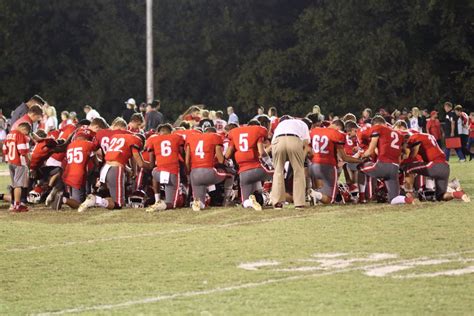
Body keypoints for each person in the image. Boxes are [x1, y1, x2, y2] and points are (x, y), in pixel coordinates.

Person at [78, 132, 150, 211]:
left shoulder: (119, 137)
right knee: (118, 204)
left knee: (108, 194)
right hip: (115, 170)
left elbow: (119, 158)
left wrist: (131, 170)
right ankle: (96, 200)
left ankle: (96, 199)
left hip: (105, 168)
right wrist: (152, 166)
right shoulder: (135, 141)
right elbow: (140, 163)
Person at [359, 116, 415, 205]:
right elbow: (403, 154)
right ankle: (407, 199)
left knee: (359, 166)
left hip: (382, 165)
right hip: (395, 168)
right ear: (385, 123)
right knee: (393, 199)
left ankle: (362, 195)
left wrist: (361, 156)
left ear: (375, 125)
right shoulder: (398, 133)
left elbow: (370, 150)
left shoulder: (377, 128)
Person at [308, 119, 362, 204]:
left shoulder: (315, 131)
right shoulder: (336, 134)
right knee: (331, 199)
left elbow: (308, 150)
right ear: (338, 127)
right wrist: (360, 160)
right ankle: (315, 194)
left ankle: (315, 196)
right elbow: (344, 158)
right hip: (328, 166)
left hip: (313, 165)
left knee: (322, 190)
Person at [225, 120, 271, 210]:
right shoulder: (257, 131)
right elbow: (262, 152)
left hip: (243, 172)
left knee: (245, 202)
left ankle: (250, 201)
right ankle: (269, 197)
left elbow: (227, 155)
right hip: (257, 168)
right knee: (278, 173)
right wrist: (270, 163)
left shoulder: (235, 133)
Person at [185, 127, 234, 211]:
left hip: (194, 173)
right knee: (231, 174)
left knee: (201, 202)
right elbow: (221, 160)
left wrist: (189, 173)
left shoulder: (192, 138)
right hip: (209, 172)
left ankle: (198, 203)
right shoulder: (214, 138)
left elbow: (187, 161)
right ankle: (226, 200)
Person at [270, 116, 310, 209]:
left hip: (277, 141)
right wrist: (301, 160)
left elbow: (273, 142)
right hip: (294, 139)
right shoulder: (302, 124)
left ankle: (277, 203)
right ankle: (299, 203)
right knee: (298, 171)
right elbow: (306, 144)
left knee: (278, 172)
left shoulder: (281, 124)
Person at [145, 123, 185, 212]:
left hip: (159, 173)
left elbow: (151, 164)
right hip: (172, 172)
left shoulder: (153, 139)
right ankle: (161, 205)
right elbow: (183, 154)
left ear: (159, 133)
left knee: (154, 170)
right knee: (172, 203)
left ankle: (157, 199)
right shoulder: (177, 137)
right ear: (171, 132)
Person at [3, 122, 31, 212]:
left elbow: (4, 149)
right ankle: (17, 205)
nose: (26, 134)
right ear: (24, 129)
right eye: (26, 132)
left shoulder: (9, 135)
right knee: (18, 185)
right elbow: (22, 151)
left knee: (14, 184)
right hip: (19, 162)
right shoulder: (20, 135)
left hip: (11, 161)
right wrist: (28, 160)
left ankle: (13, 204)